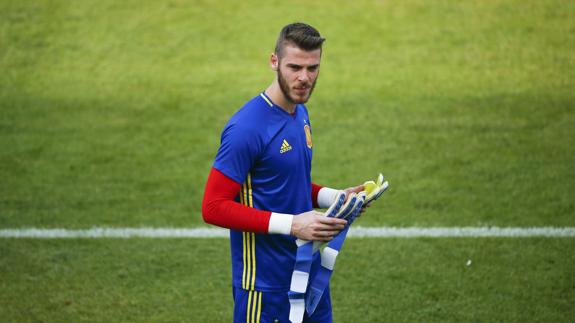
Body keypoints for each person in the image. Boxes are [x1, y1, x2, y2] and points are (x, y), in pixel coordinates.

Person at [202, 22, 364, 323]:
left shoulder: (299, 111)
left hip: (307, 273)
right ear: (274, 62)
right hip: (265, 289)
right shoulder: (246, 128)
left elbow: (289, 181)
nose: (304, 78)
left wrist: (336, 197)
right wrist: (293, 225)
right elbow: (212, 207)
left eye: (313, 68)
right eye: (295, 67)